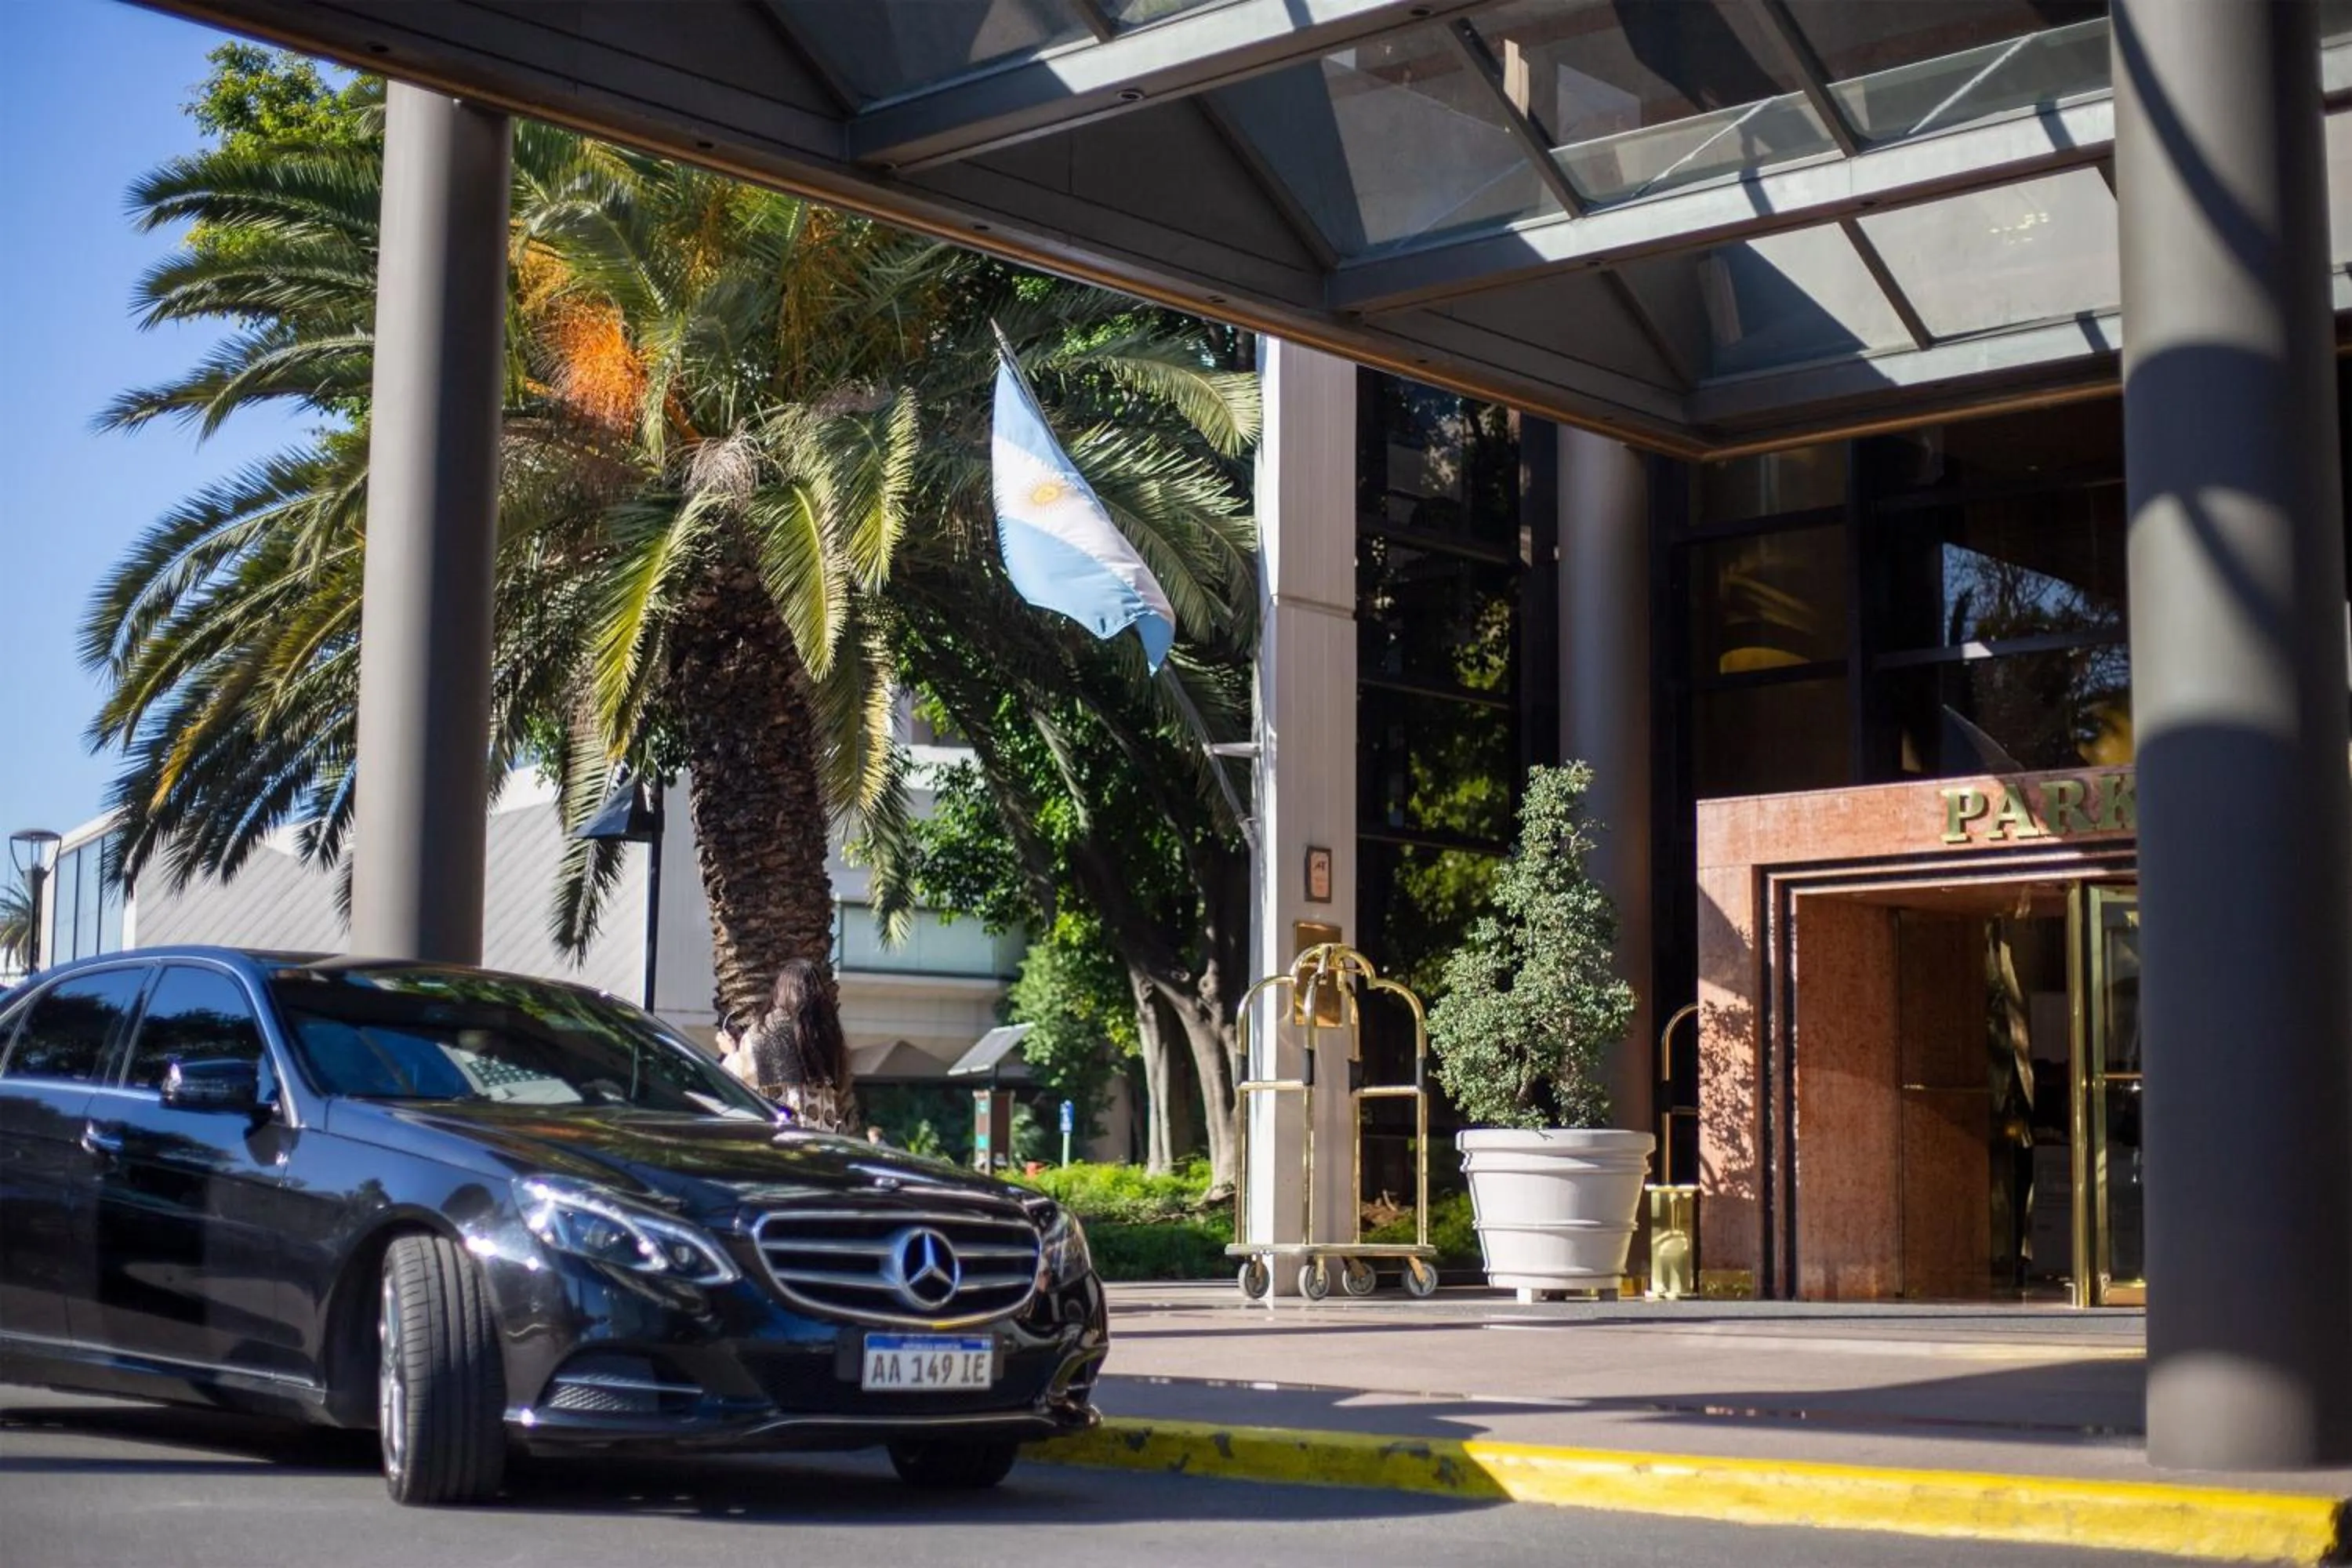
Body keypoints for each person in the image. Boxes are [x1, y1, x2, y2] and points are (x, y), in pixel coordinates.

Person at [730, 958, 850, 1131]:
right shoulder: (825, 1030)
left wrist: (732, 1052)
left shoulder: (764, 1029)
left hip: (779, 1132)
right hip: (821, 1131)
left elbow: (742, 1082)